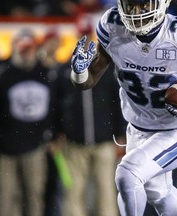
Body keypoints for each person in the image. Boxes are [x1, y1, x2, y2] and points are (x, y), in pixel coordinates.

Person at [69, 0, 177, 215]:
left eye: (143, 5)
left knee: (127, 174)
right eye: (131, 5)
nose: (136, 12)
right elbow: (87, 82)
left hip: (176, 129)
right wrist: (78, 72)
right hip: (137, 127)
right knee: (159, 193)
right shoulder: (113, 26)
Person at [0, 28, 59, 216]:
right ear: (15, 47)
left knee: (33, 195)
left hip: (35, 146)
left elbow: (55, 108)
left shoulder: (45, 74)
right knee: (5, 197)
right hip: (5, 148)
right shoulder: (1, 75)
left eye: (29, 48)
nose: (26, 52)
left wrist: (53, 134)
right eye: (23, 48)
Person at [55, 48, 127, 216]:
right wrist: (56, 131)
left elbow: (118, 102)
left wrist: (120, 133)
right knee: (73, 192)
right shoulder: (65, 70)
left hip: (104, 142)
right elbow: (56, 104)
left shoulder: (107, 70)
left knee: (106, 191)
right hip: (74, 143)